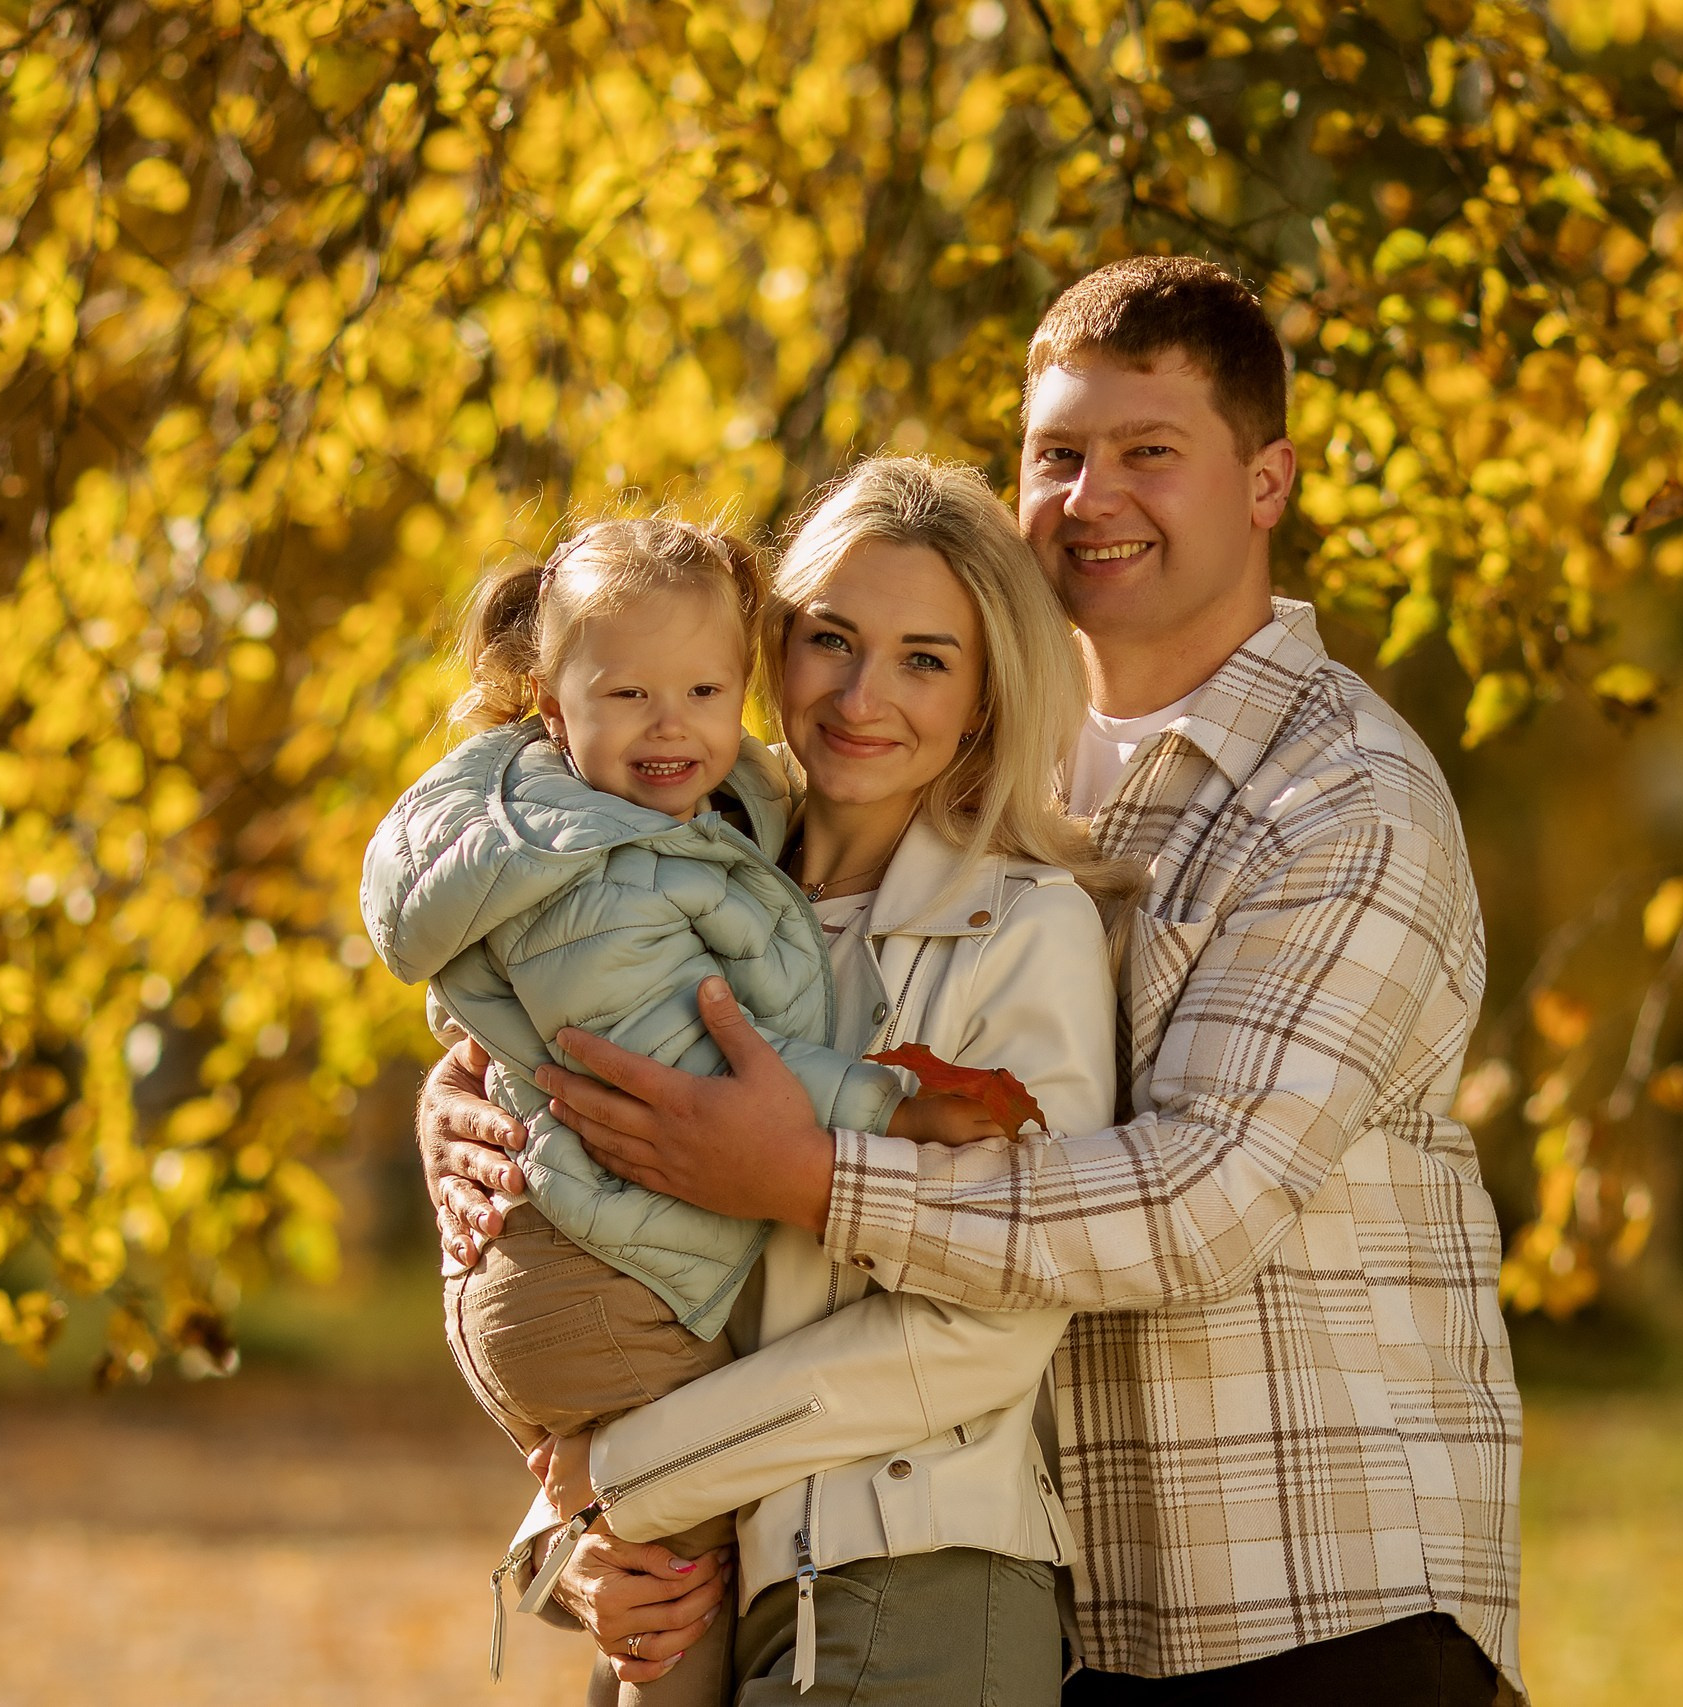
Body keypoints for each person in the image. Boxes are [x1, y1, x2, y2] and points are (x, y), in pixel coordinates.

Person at [424, 258, 1524, 1705]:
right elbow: (649, 1195)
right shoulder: (937, 782)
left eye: (1151, 453)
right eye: (1058, 453)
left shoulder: (1338, 800)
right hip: (1064, 1603)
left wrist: (809, 1171)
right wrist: (475, 1095)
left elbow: (1196, 1202)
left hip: (1313, 1596)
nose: (1093, 495)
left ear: (1267, 483)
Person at [361, 516, 1008, 1706]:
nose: (865, 695)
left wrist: (595, 1499)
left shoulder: (733, 829)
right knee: (667, 1611)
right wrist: (890, 1114)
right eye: (831, 643)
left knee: (654, 1600)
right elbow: (668, 1066)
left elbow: (986, 1321)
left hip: (869, 1547)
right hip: (623, 1318)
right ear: (551, 712)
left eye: (925, 657)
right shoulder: (641, 846)